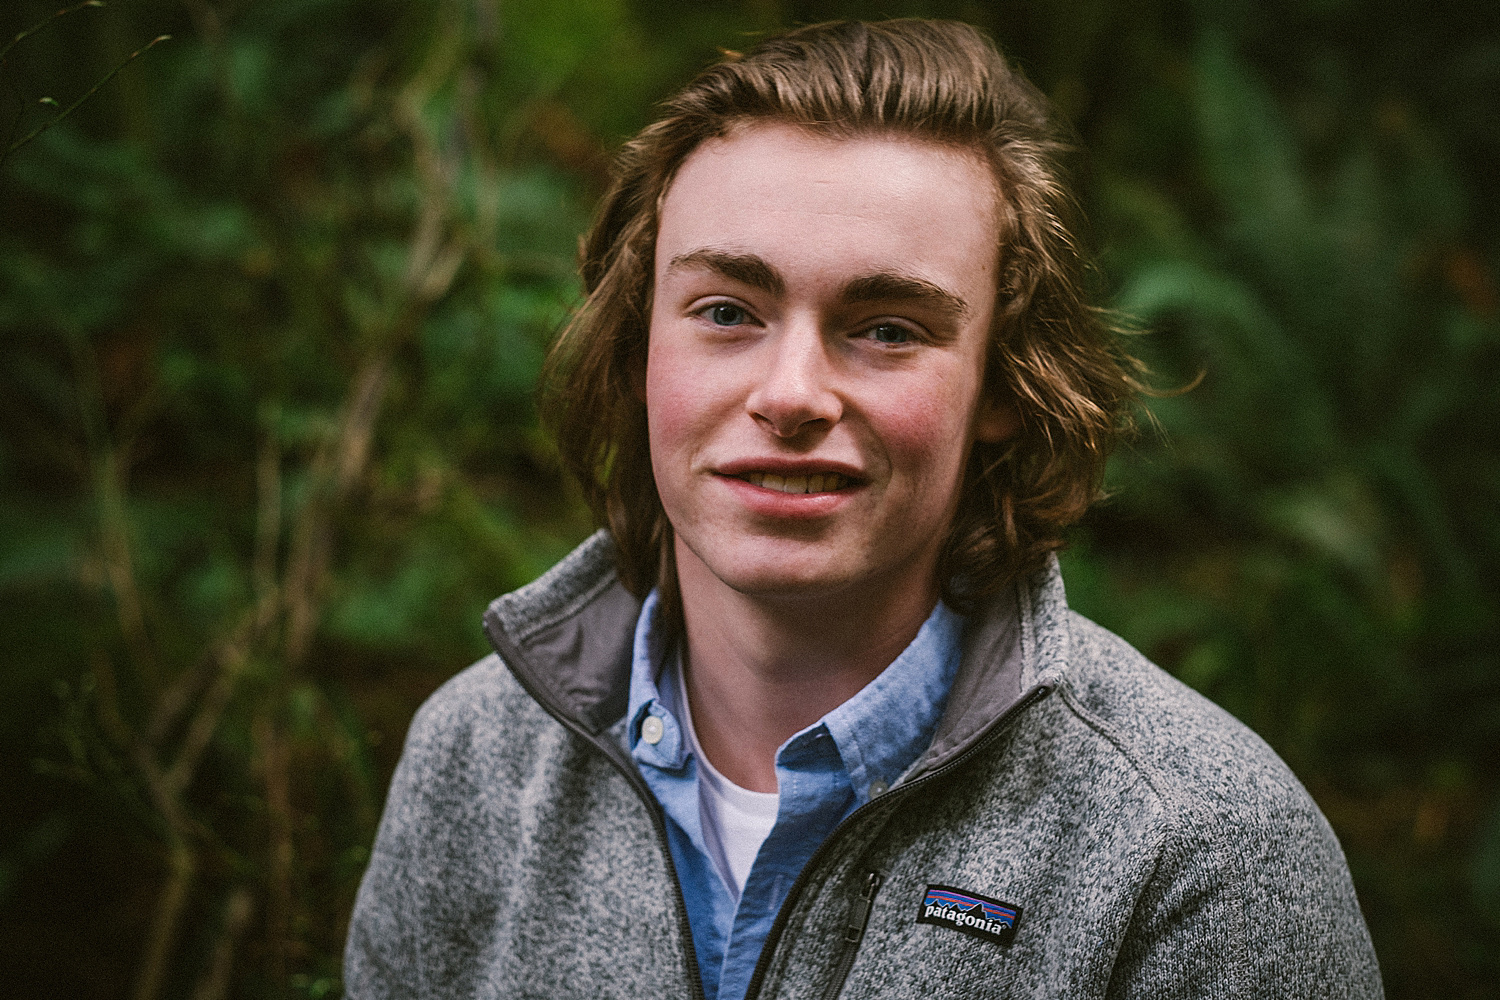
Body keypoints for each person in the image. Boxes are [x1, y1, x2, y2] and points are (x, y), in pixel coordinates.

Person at [344, 19, 1383, 1000]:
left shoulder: (1198, 847)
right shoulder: (476, 758)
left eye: (887, 328)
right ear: (638, 348)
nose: (791, 393)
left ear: (1003, 386)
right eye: (726, 312)